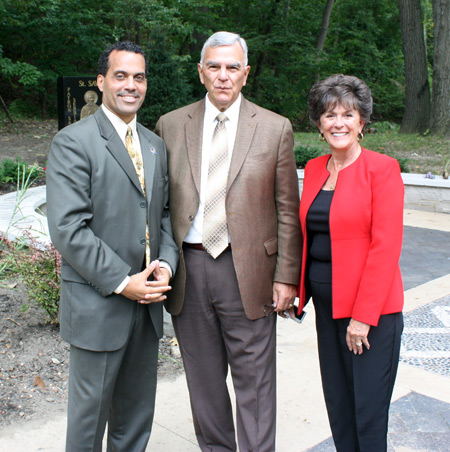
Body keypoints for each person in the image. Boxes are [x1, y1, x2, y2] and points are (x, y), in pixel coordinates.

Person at [155, 31, 301, 452]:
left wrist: (286, 276)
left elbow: (287, 209)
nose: (223, 75)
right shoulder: (170, 125)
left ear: (246, 73)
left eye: (232, 67)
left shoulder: (275, 128)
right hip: (190, 269)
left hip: (251, 271)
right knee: (203, 383)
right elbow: (161, 206)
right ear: (201, 72)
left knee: (255, 382)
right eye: (214, 66)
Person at [46, 41, 178, 451]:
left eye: (138, 77)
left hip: (148, 305)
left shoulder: (155, 144)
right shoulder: (73, 142)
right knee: (89, 426)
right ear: (101, 81)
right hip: (99, 304)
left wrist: (166, 266)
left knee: (136, 420)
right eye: (121, 75)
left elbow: (164, 215)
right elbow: (68, 228)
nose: (130, 85)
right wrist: (124, 281)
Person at [297, 74, 404, 452]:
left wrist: (363, 317)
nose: (337, 122)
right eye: (329, 115)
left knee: (368, 413)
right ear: (319, 123)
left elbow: (385, 246)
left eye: (347, 114)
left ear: (362, 123)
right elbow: (307, 236)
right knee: (340, 407)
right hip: (328, 309)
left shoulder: (383, 169)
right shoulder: (313, 169)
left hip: (371, 313)